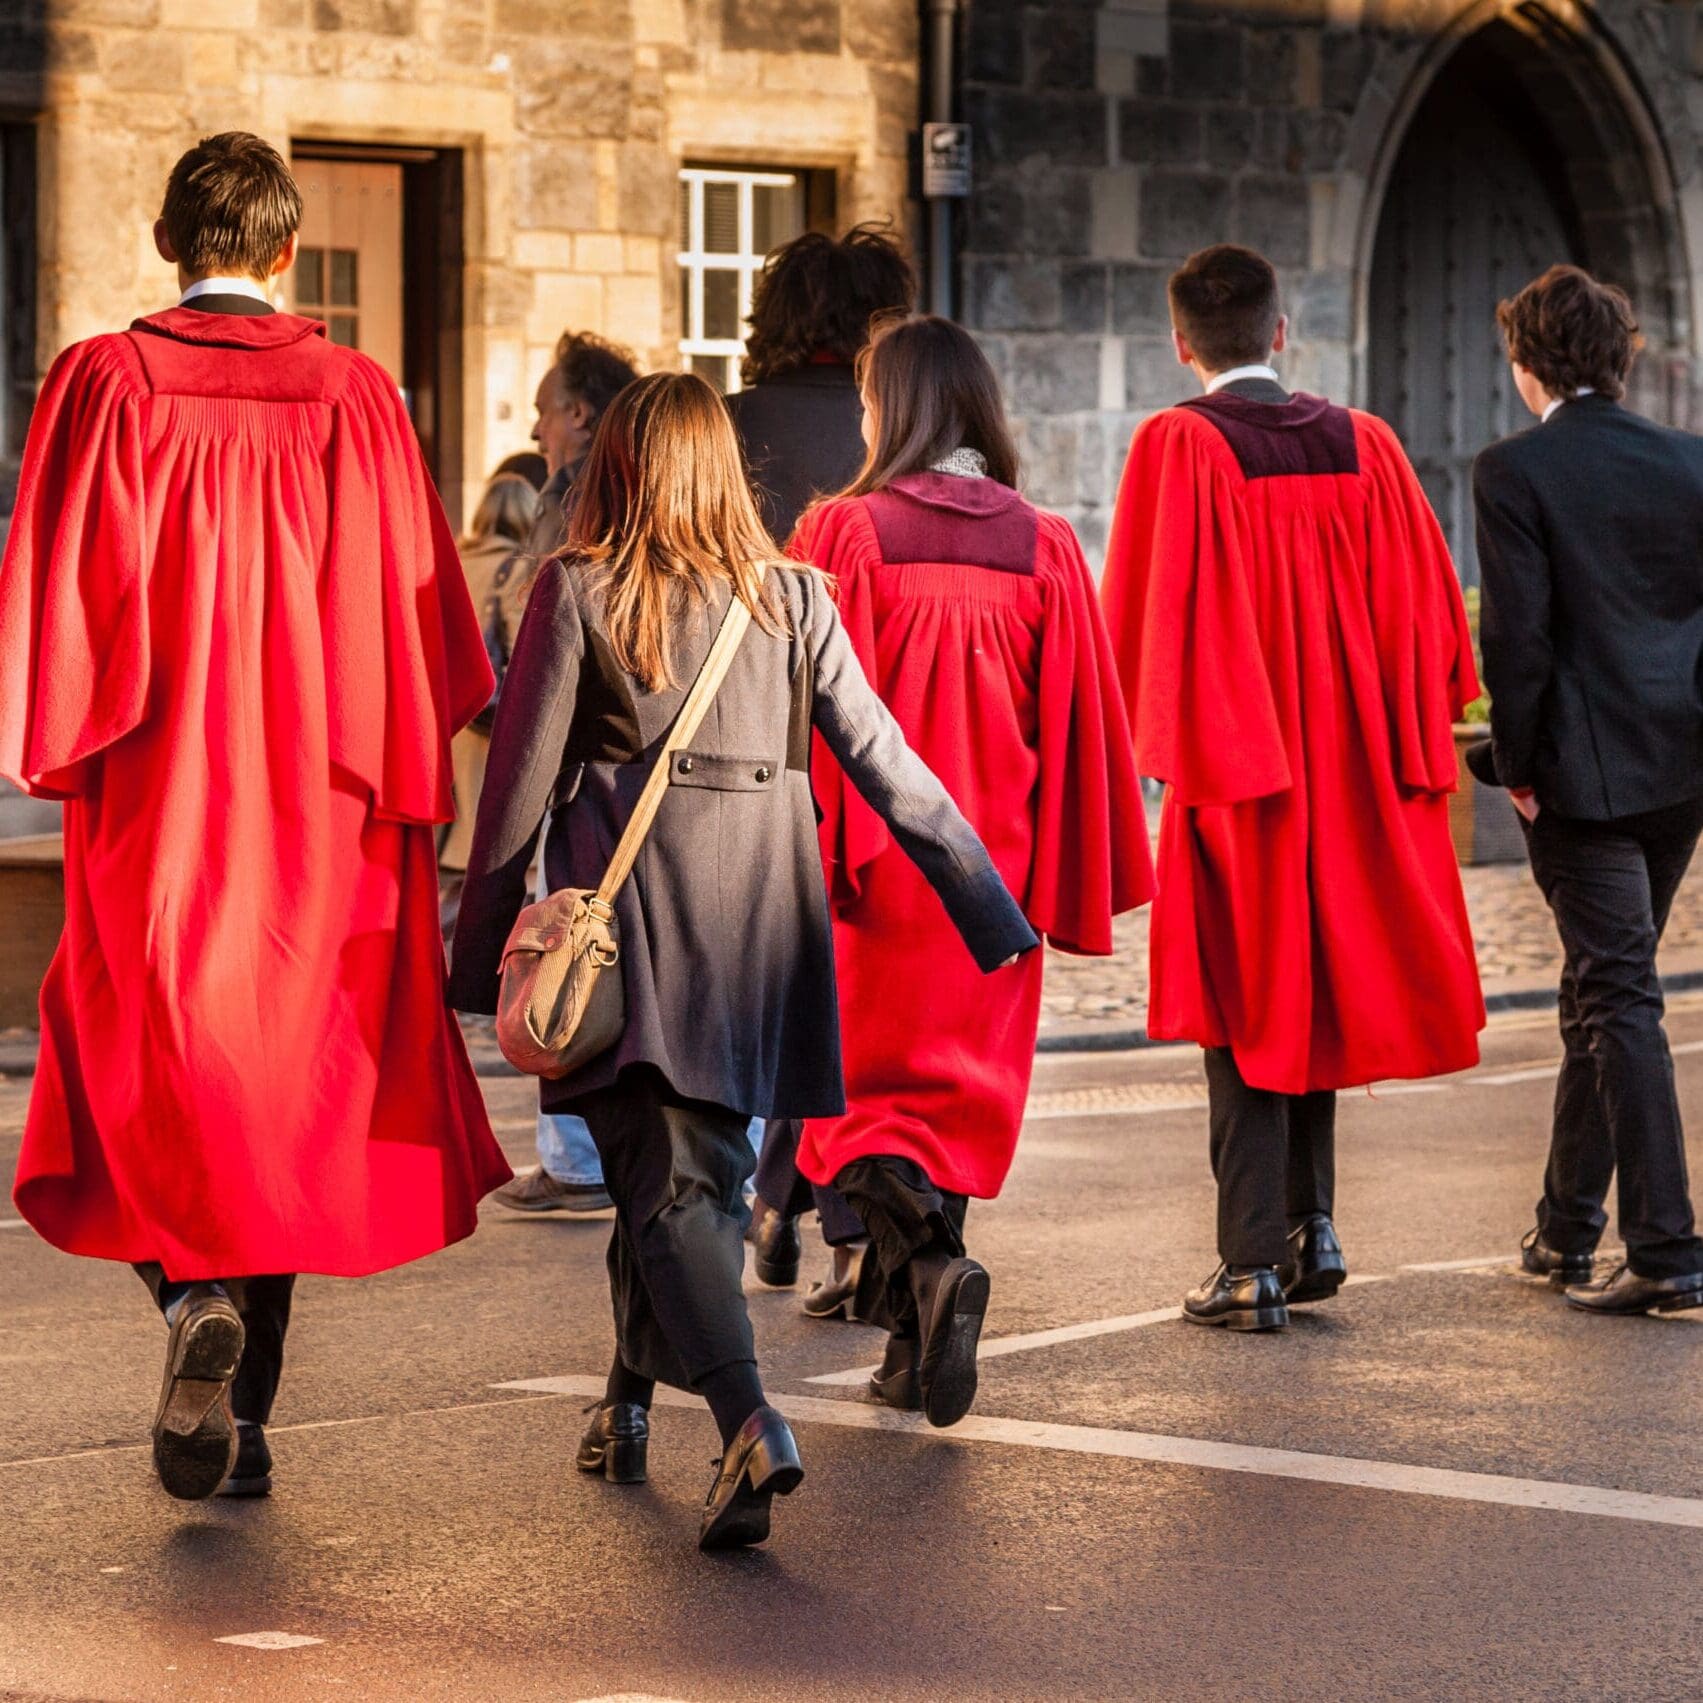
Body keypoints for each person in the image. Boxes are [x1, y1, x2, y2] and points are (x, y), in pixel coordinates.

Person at [448, 372, 1037, 1551]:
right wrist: (990, 909)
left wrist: (471, 974)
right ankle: (622, 1402)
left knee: (671, 1190)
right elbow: (886, 760)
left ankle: (746, 1418)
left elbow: (512, 795)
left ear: (615, 468)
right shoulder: (796, 597)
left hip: (633, 930)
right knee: (678, 1182)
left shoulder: (579, 591)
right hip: (767, 933)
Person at [0, 133, 507, 1501]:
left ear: (169, 242)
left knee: (136, 1074)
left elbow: (53, 594)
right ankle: (246, 1407)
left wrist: (53, 751)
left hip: (159, 806)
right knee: (286, 1103)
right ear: (288, 255)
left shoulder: (105, 380)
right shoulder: (355, 393)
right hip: (324, 814)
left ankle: (188, 1305)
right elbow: (425, 626)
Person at [1101, 244, 1484, 1332]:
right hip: (1352, 775)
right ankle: (1310, 1228)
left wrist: (1158, 755)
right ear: (1280, 332)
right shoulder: (1365, 443)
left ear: (1180, 344)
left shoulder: (1176, 442)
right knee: (1310, 986)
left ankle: (1249, 1259)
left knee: (1243, 996)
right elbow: (1429, 626)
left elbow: (1140, 619)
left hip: (1243, 776)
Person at [791, 316, 1153, 1418]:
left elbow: (797, 714)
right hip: (991, 878)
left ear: (891, 409)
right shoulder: (1044, 543)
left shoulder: (843, 532)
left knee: (852, 1113)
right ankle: (912, 1348)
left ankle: (935, 1283)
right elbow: (1084, 726)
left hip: (870, 874)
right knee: (948, 1105)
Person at [1471, 265, 1703, 1317]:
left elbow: (1513, 640)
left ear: (1527, 365)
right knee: (1601, 992)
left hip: (1579, 778)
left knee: (1616, 998)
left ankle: (1663, 1248)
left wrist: (1511, 767)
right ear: (1622, 356)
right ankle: (1564, 1227)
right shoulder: (1690, 462)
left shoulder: (1513, 470)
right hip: (1678, 770)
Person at [723, 223, 918, 1293]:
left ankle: (769, 1194)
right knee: (841, 990)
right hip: (875, 736)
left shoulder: (729, 425)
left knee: (771, 991)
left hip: (745, 736)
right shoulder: (892, 427)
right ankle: (826, 1214)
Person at [490, 329, 641, 1218]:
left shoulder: (577, 497)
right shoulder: (600, 485)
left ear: (579, 413)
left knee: (565, 943)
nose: (537, 425)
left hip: (578, 754)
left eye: (545, 408)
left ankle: (578, 1152)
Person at [440, 470, 539, 876]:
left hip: (451, 711)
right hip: (491, 716)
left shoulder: (452, 559)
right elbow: (522, 647)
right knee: (487, 843)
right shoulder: (516, 568)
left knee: (455, 833)